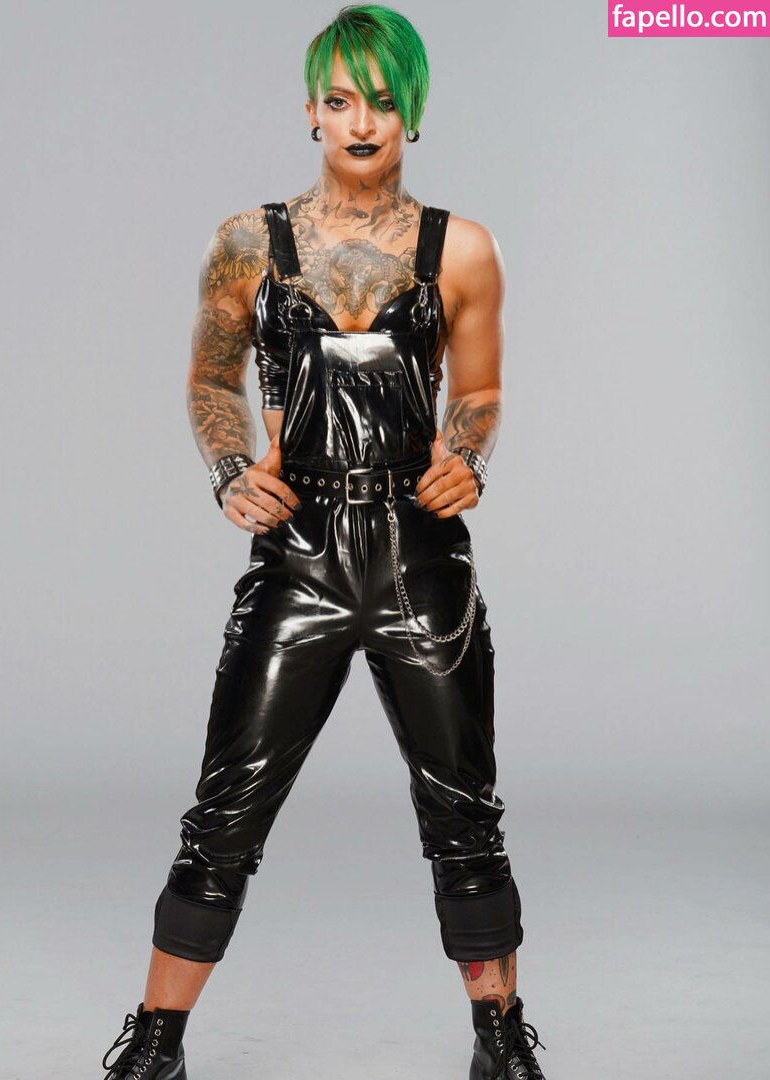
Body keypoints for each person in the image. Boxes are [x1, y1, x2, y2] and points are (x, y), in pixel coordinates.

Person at [99, 6, 548, 1079]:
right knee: (226, 811)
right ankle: (155, 1044)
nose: (361, 121)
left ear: (412, 113)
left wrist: (469, 454)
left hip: (419, 552)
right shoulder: (249, 243)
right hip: (298, 550)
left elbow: (479, 388)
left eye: (383, 100)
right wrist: (229, 467)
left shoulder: (462, 249)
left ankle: (500, 1041)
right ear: (311, 109)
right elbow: (211, 379)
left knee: (464, 812)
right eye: (342, 98)